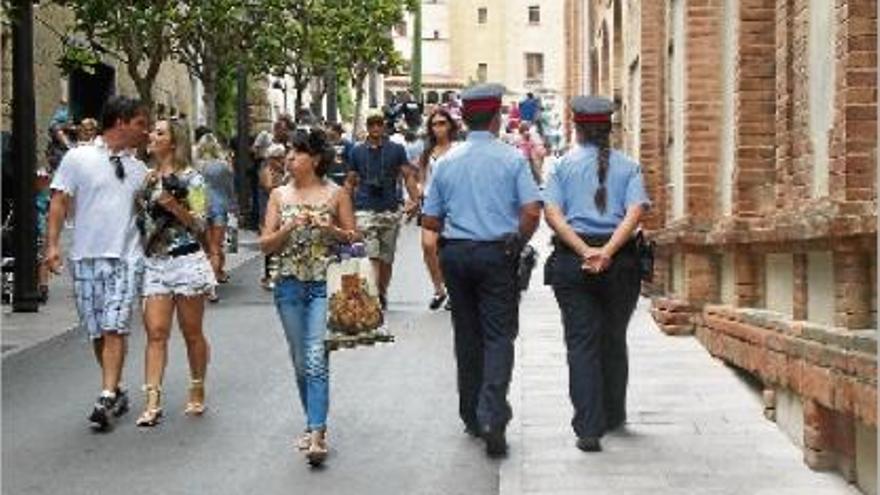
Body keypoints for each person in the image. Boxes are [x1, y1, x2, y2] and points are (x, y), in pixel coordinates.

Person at [421, 83, 542, 458]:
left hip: (456, 256)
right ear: (495, 118)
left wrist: (459, 228)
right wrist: (517, 240)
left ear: (464, 120)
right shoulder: (511, 159)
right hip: (497, 255)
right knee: (498, 336)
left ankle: (472, 415)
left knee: (467, 335)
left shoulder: (445, 163)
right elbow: (532, 211)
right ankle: (492, 414)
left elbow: (430, 218)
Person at [543, 96, 650, 453]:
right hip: (620, 263)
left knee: (581, 342)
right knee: (614, 336)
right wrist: (607, 252)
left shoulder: (560, 167)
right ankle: (614, 413)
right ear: (608, 128)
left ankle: (589, 428)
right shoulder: (630, 167)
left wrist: (584, 250)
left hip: (573, 262)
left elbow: (553, 215)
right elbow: (635, 213)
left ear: (576, 127)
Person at [45, 95, 151, 430]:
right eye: (140, 124)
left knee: (113, 325)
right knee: (96, 330)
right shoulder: (78, 157)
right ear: (120, 122)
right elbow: (60, 201)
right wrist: (51, 246)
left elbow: (146, 217)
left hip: (126, 256)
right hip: (86, 256)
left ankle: (105, 394)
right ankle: (115, 388)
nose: (145, 132)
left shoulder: (140, 171)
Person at [260, 128, 359, 466]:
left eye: (297, 153)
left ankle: (317, 433)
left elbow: (354, 238)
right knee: (301, 362)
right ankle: (311, 421)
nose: (289, 158)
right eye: (289, 152)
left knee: (316, 358)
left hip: (324, 285)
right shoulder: (278, 196)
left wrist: (330, 230)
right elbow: (265, 243)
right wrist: (289, 227)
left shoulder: (336, 194)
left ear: (315, 159)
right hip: (287, 285)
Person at [135, 118, 216, 427]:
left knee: (191, 332)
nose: (152, 136)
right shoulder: (147, 179)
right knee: (156, 333)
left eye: (159, 132)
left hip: (186, 261)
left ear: (173, 141)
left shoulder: (193, 179)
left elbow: (200, 224)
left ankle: (197, 387)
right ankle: (152, 401)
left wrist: (174, 206)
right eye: (152, 132)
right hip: (155, 261)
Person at [346, 112, 420, 310]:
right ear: (368, 127)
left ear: (384, 127)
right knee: (372, 255)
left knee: (387, 258)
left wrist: (415, 199)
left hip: (389, 209)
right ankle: (374, 295)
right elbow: (351, 181)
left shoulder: (396, 150)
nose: (376, 128)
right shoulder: (357, 151)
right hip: (365, 209)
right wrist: (344, 209)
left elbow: (407, 175)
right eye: (372, 124)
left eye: (379, 124)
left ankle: (382, 290)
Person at [418, 109, 459, 311]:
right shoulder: (427, 153)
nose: (438, 127)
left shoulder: (459, 150)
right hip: (430, 204)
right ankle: (438, 289)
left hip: (453, 205)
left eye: (442, 123)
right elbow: (422, 180)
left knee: (450, 250)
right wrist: (414, 199)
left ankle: (453, 291)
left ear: (450, 125)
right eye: (434, 124)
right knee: (428, 245)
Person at [195, 132, 237, 297]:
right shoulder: (223, 166)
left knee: (204, 248)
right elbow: (229, 188)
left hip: (200, 208)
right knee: (215, 247)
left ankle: (208, 280)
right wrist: (234, 205)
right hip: (220, 207)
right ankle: (212, 284)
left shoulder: (196, 167)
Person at [259, 143, 288, 289]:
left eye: (282, 158)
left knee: (280, 243)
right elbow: (268, 187)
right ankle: (269, 276)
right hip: (268, 210)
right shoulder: (267, 170)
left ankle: (279, 273)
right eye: (278, 158)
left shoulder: (284, 171)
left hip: (282, 209)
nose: (282, 161)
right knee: (270, 243)